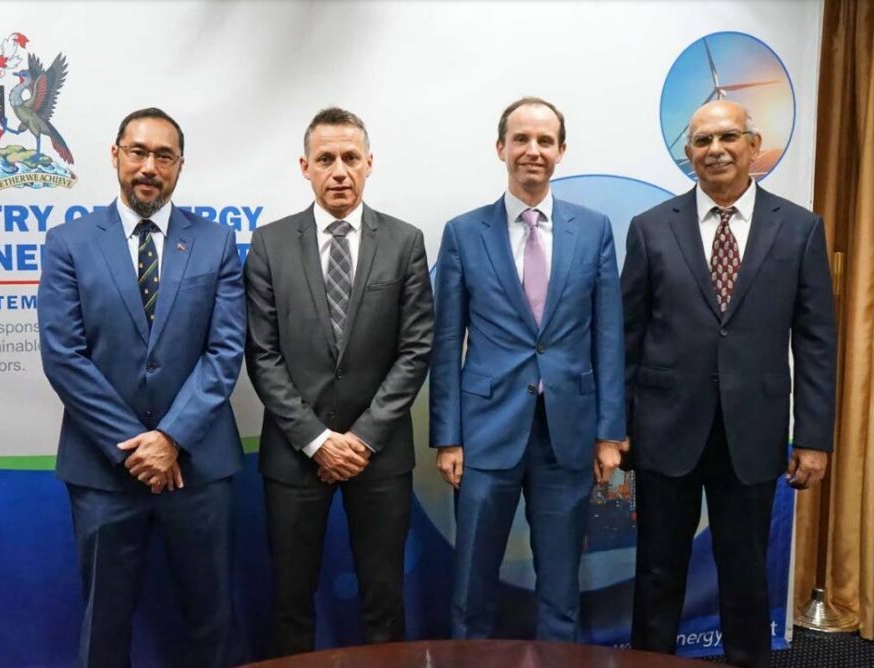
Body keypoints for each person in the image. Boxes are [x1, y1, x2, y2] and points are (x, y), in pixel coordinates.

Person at [623, 100, 836, 668]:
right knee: (658, 571)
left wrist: (813, 437)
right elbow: (627, 337)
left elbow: (816, 340)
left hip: (754, 433)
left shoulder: (800, 228)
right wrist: (617, 430)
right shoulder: (649, 229)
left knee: (745, 572)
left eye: (728, 137)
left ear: (753, 145)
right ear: (688, 154)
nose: (715, 149)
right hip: (665, 431)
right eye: (701, 141)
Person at [37, 107, 245, 668]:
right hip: (104, 470)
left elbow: (225, 352)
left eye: (163, 156)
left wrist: (172, 437)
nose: (149, 167)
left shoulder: (217, 242)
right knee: (104, 622)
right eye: (138, 152)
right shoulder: (68, 242)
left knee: (212, 618)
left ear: (179, 165)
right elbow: (63, 355)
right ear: (115, 155)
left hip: (197, 466)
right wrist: (139, 446)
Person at [430, 96, 626, 641]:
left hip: (567, 435)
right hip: (485, 435)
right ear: (501, 149)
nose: (532, 150)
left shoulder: (594, 230)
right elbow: (447, 343)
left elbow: (608, 337)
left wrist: (610, 433)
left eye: (544, 140)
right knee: (472, 586)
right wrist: (448, 438)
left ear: (562, 151)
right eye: (521, 139)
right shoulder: (464, 233)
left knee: (561, 590)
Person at [244, 107, 433, 656]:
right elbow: (263, 354)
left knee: (383, 598)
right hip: (295, 454)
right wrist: (319, 440)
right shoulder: (269, 244)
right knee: (291, 600)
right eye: (325, 159)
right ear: (305, 167)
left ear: (369, 163)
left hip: (379, 455)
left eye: (351, 158)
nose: (339, 171)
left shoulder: (404, 242)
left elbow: (415, 349)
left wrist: (362, 437)